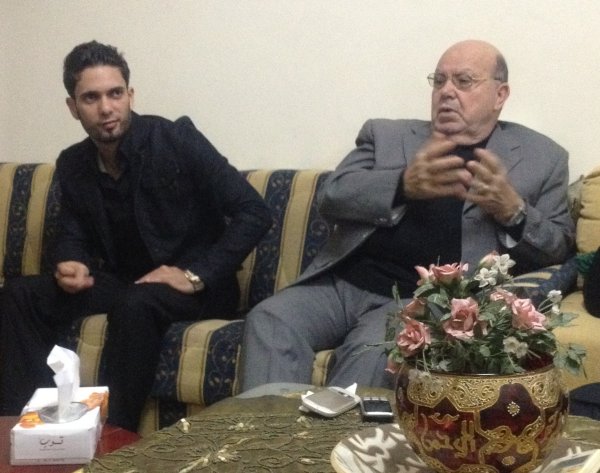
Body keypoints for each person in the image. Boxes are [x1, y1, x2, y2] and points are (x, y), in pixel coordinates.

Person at [239, 39, 575, 392]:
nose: (447, 91)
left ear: (500, 94)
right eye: (439, 80)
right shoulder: (385, 135)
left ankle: (334, 431)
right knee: (270, 318)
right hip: (344, 284)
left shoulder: (543, 158)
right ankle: (269, 428)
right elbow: (331, 195)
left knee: (373, 351)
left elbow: (558, 247)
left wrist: (513, 211)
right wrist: (401, 185)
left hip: (420, 302)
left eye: (463, 81)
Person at [0, 40, 272, 431]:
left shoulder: (175, 139)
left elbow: (254, 211)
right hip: (126, 282)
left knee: (135, 305)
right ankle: (25, 428)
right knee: (19, 295)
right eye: (91, 98)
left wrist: (195, 274)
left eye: (115, 94)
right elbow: (72, 230)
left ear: (130, 95)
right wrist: (70, 260)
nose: (106, 108)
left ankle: (114, 436)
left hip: (197, 288)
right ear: (73, 107)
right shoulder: (74, 163)